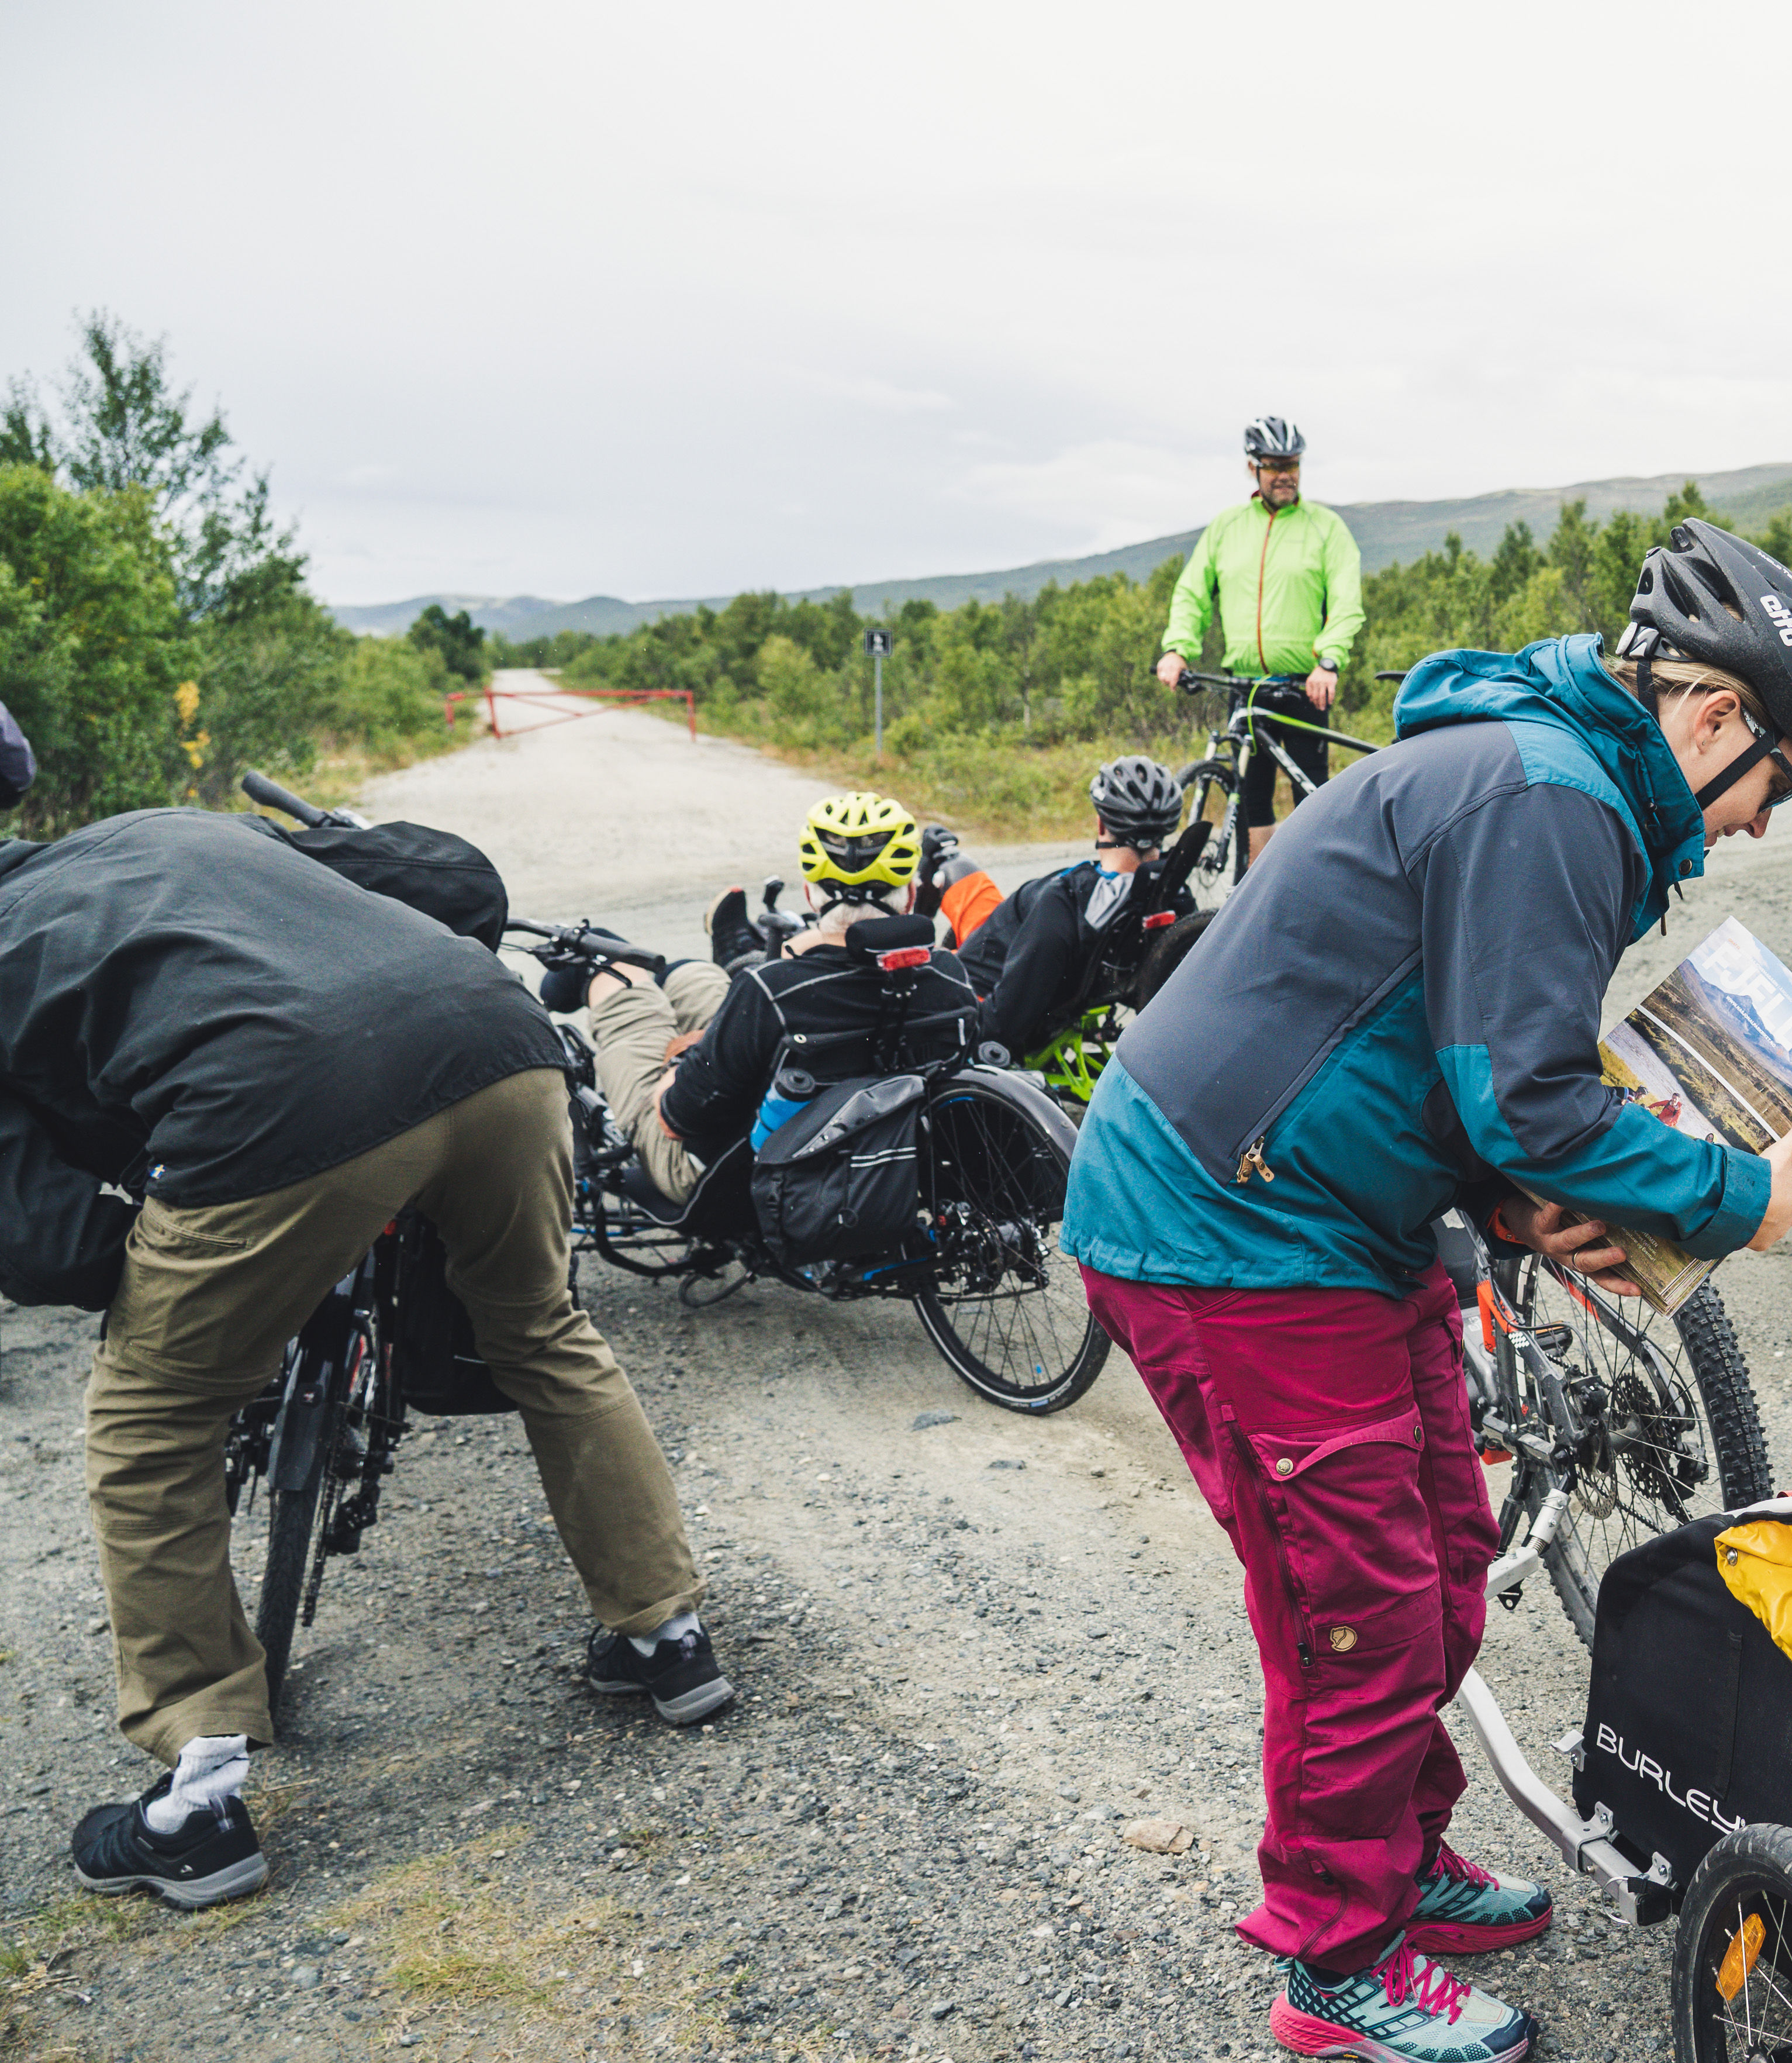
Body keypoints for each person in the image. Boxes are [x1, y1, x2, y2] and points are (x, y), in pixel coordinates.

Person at [1068, 519, 1792, 2063]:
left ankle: (1395, 1857)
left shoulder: (1555, 782)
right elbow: (1525, 1095)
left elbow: (1440, 1055)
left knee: (1440, 1557)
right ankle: (1339, 1951)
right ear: (1712, 718)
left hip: (1326, 1219)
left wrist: (1518, 1210)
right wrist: (1737, 1201)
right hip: (1233, 1231)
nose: (1767, 823)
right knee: (1351, 1603)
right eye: (1781, 781)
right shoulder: (1552, 797)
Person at [0, 806, 724, 1913]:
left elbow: (39, 1236)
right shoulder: (163, 830)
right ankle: (669, 1639)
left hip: (278, 1099)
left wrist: (148, 1270)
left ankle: (195, 1803)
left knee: (154, 1414)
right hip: (502, 1041)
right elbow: (431, 870)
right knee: (543, 1332)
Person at [585, 792, 983, 1203]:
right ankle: (708, 961)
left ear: (811, 895)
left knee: (619, 984)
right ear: (912, 896)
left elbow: (675, 1119)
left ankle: (591, 974)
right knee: (698, 978)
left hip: (734, 1181)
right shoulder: (948, 977)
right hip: (890, 1169)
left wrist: (685, 1060)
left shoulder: (771, 991)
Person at [1152, 418, 1367, 871]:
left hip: (1304, 686)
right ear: (1254, 468)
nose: (1285, 474)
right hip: (1245, 684)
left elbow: (1347, 601)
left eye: (1292, 464)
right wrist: (1177, 648)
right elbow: (1192, 592)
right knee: (1252, 807)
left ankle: (1323, 891)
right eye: (1274, 466)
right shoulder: (1227, 528)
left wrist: (1329, 661)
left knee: (1314, 804)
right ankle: (1255, 907)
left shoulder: (1326, 528)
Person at [957, 757, 1198, 1062]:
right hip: (1022, 949)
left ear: (1101, 824)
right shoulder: (1173, 894)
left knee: (953, 865)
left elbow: (1003, 1024)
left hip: (981, 981)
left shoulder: (1064, 903)